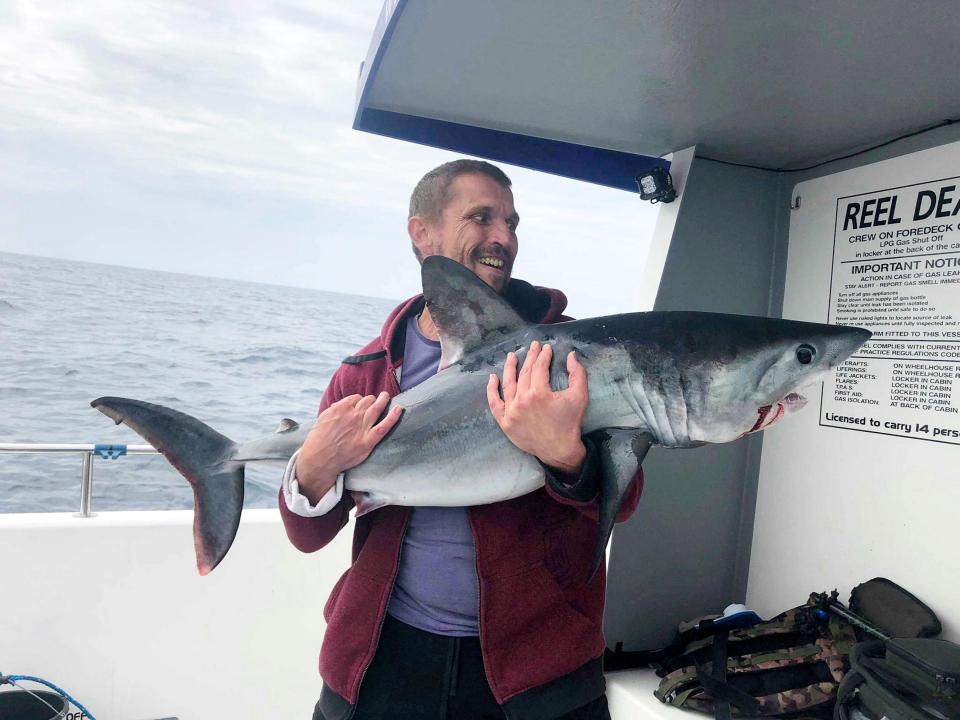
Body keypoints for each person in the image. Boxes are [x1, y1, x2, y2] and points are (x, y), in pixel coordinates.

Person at [279, 159, 643, 720]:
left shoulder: (571, 358)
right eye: (481, 217)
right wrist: (313, 470)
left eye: (512, 222)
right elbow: (308, 533)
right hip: (382, 658)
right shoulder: (366, 373)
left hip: (537, 669)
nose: (504, 237)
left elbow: (626, 501)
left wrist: (565, 455)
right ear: (421, 232)